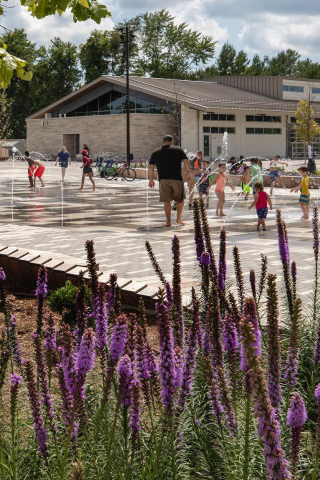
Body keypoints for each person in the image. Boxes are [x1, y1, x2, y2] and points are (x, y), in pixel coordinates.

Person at [149, 134, 191, 227]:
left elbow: (151, 167)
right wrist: (188, 173)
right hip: (176, 179)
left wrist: (151, 179)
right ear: (172, 141)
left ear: (163, 142)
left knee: (166, 201)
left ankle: (168, 222)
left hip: (163, 180)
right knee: (180, 200)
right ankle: (179, 219)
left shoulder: (156, 152)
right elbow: (186, 162)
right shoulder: (178, 150)